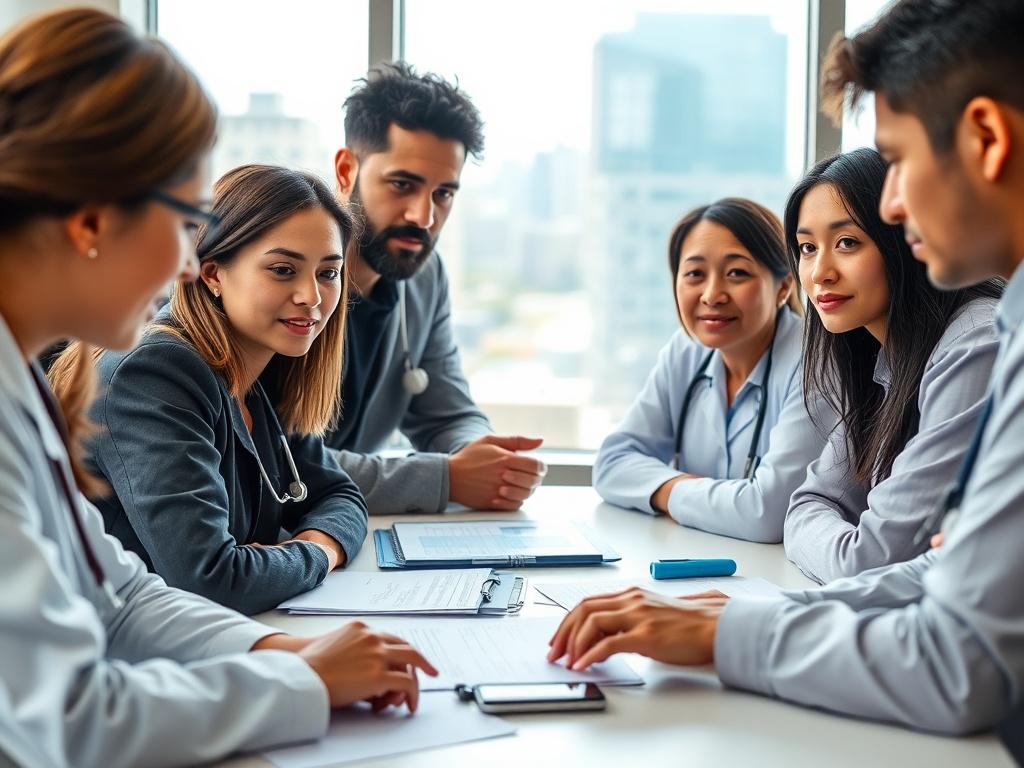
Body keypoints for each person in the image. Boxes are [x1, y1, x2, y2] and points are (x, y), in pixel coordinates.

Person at [549, 0, 1024, 744]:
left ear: (988, 139)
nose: (896, 204)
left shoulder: (983, 340)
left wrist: (726, 636)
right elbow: (881, 545)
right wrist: (747, 614)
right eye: (807, 245)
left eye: (896, 161)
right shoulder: (893, 351)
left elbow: (950, 657)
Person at [0, 10, 434, 767]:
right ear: (93, 218)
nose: (183, 267)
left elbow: (121, 596)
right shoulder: (137, 370)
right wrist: (297, 682)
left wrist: (285, 652)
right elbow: (69, 720)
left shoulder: (22, 389)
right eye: (185, 225)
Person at [50, 164, 369, 615]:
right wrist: (316, 555)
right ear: (213, 273)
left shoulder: (260, 365)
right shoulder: (156, 372)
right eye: (282, 270)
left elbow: (340, 495)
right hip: (119, 655)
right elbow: (211, 579)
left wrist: (321, 543)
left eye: (328, 273)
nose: (312, 297)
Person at [265, 62, 546, 515]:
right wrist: (447, 479)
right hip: (270, 539)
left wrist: (487, 458)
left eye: (443, 193)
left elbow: (446, 412)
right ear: (345, 170)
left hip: (354, 530)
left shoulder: (425, 276)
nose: (424, 216)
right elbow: (270, 460)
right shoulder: (278, 275)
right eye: (402, 184)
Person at [782, 148, 1000, 583]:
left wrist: (837, 545)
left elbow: (870, 562)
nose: (820, 272)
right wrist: (841, 543)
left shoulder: (974, 344)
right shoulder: (883, 360)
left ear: (903, 241)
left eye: (847, 243)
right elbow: (808, 503)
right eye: (807, 248)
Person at [593, 198, 825, 542]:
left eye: (737, 273)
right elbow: (612, 464)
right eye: (695, 274)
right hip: (696, 562)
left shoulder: (815, 361)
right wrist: (693, 492)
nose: (712, 294)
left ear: (783, 287)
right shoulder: (685, 351)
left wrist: (667, 490)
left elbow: (769, 514)